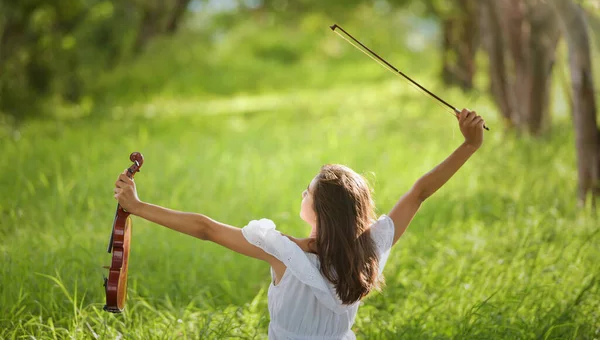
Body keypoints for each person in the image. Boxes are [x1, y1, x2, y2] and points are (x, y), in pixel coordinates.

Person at [113, 108, 485, 339]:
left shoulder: (283, 253)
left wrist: (138, 207)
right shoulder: (369, 248)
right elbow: (419, 192)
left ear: (319, 211)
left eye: (307, 193)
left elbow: (206, 228)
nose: (302, 196)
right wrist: (469, 145)